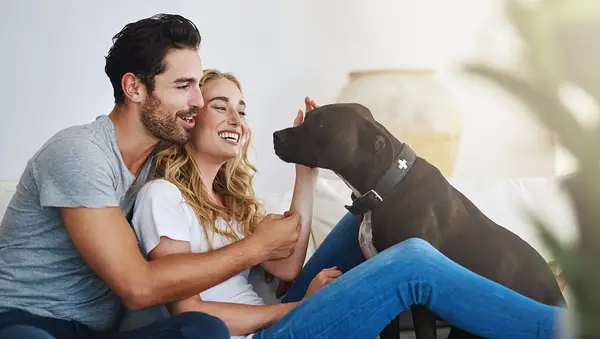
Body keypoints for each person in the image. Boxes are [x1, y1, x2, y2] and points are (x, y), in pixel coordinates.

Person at [131, 69, 568, 339]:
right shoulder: (161, 196)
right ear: (190, 119)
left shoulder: (231, 202)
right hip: (264, 332)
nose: (236, 119)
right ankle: (561, 329)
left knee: (366, 215)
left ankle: (525, 283)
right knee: (413, 257)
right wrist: (302, 307)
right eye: (219, 106)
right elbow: (189, 312)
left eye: (242, 110)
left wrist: (308, 165)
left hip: (277, 317)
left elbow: (286, 269)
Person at [0, 14, 300, 339]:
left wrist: (302, 162)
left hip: (95, 333)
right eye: (183, 86)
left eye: (198, 86)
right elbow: (138, 287)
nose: (197, 101)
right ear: (134, 88)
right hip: (24, 322)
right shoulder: (79, 153)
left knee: (202, 329)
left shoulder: (157, 164)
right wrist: (257, 248)